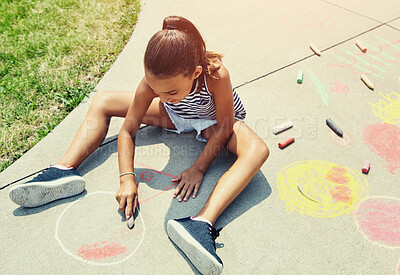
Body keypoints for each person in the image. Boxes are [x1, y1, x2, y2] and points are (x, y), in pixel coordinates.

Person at [9, 16, 269, 274]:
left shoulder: (215, 73)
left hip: (214, 121)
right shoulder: (155, 86)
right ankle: (63, 170)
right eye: (156, 90)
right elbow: (128, 131)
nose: (162, 96)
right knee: (103, 100)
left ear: (195, 73)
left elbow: (225, 125)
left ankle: (200, 223)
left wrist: (198, 168)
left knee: (257, 150)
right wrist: (127, 179)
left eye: (170, 92)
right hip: (176, 117)